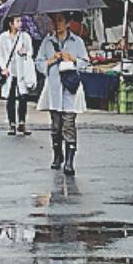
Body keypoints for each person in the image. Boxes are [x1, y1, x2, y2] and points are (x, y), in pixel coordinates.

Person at [37, 15, 91, 174]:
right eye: (54, 21)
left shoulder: (77, 42)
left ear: (68, 23)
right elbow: (39, 63)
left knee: (69, 125)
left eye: (60, 20)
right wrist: (50, 61)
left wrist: (73, 59)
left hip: (70, 89)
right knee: (56, 126)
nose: (57, 24)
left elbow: (85, 63)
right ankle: (57, 156)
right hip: (53, 89)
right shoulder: (47, 42)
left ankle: (69, 161)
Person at [0, 14, 38, 135]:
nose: (20, 24)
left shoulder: (24, 37)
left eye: (20, 21)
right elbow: (0, 55)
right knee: (11, 98)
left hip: (22, 70)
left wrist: (25, 52)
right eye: (17, 21)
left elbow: (30, 52)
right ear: (10, 23)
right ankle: (12, 124)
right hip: (9, 71)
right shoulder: (3, 38)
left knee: (23, 97)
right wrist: (3, 68)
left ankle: (22, 123)